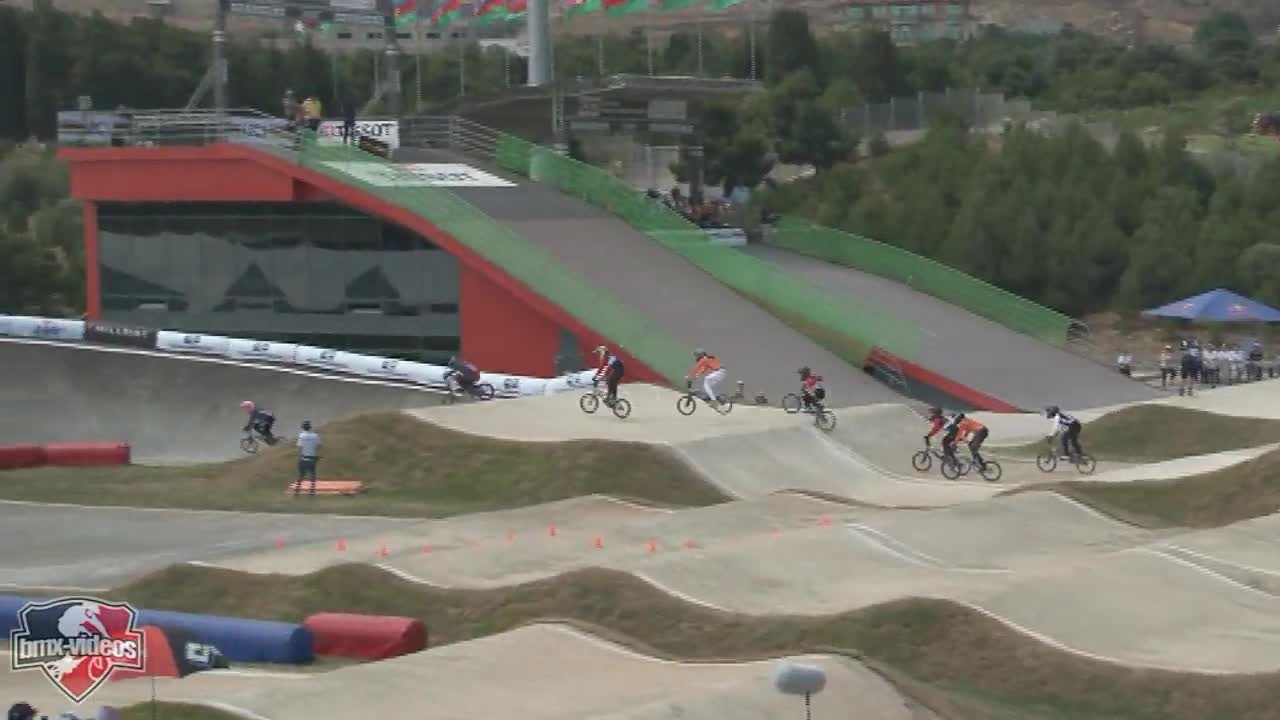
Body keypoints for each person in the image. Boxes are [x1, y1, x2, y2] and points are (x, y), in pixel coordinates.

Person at [295, 420, 321, 497]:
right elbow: (318, 446)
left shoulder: (301, 436)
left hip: (303, 458)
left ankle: (297, 491)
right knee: (312, 476)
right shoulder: (315, 435)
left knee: (301, 476)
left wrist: (299, 457)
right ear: (310, 427)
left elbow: (299, 447)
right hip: (312, 459)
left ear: (303, 427)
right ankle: (312, 492)